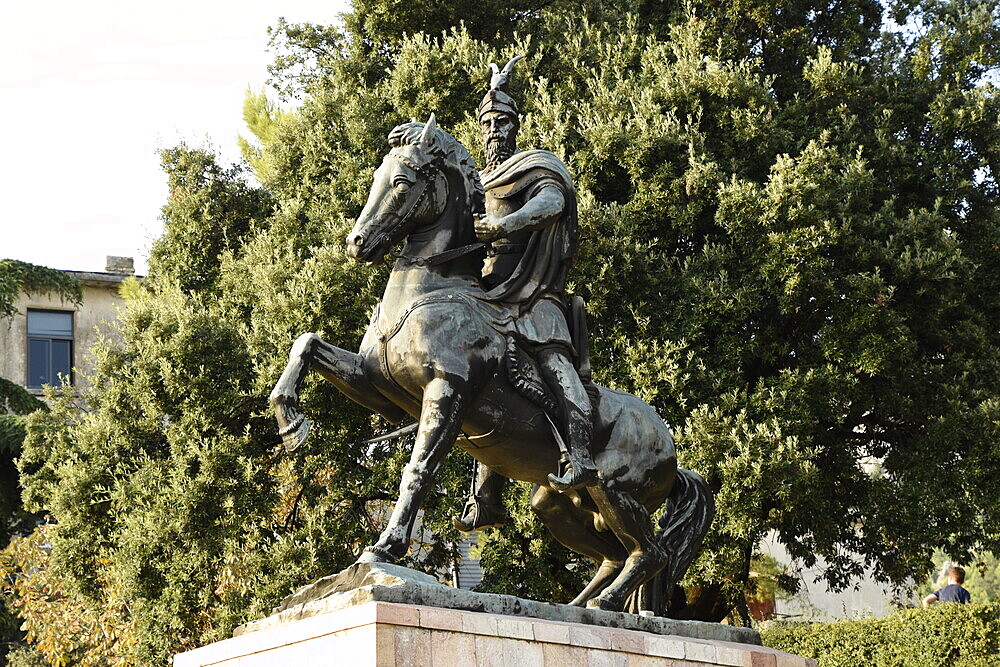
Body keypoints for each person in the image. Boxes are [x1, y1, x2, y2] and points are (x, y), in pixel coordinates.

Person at [454, 56, 598, 531]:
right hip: (488, 291)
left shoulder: (533, 166)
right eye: (488, 122)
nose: (494, 130)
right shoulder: (475, 182)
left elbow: (552, 202)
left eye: (502, 121)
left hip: (535, 294)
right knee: (470, 377)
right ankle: (486, 497)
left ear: (516, 126)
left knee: (555, 367)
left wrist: (503, 224)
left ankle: (580, 455)